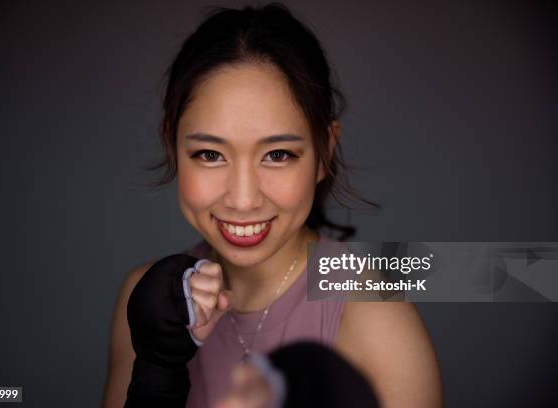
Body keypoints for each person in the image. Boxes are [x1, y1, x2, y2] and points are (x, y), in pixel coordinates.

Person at [102, 3, 442, 407]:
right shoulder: (146, 301)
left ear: (324, 153)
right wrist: (157, 374)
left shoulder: (377, 319)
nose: (243, 200)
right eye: (210, 154)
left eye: (278, 154)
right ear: (173, 148)